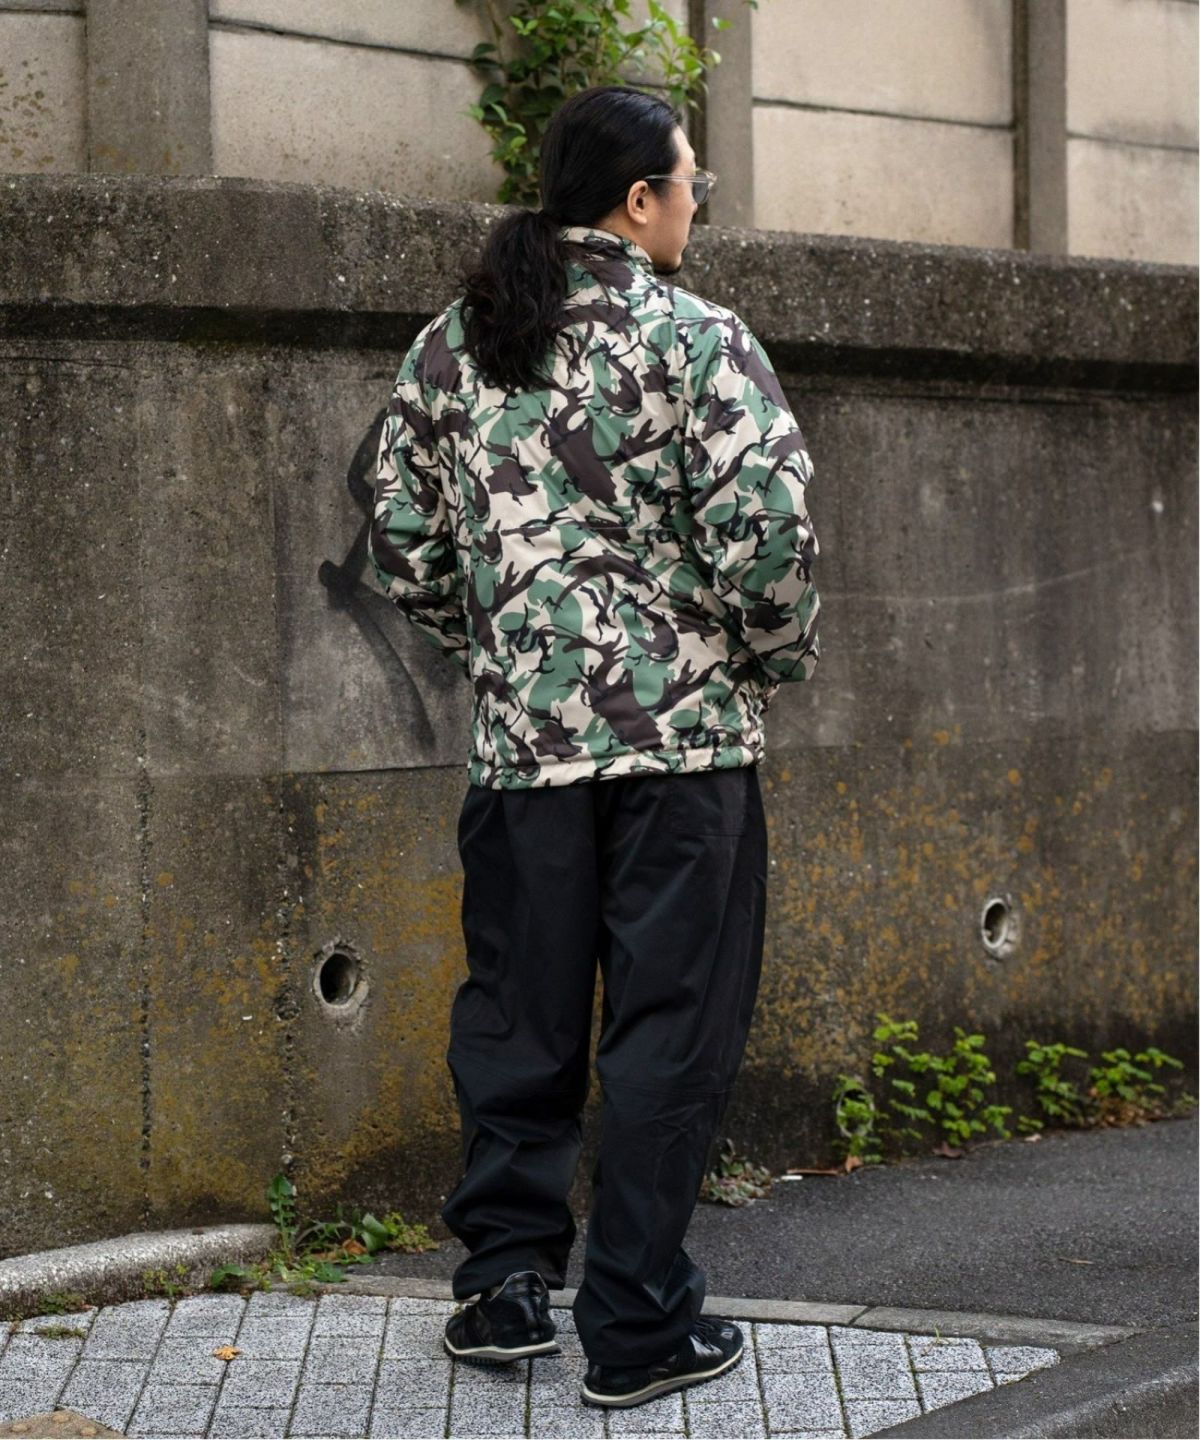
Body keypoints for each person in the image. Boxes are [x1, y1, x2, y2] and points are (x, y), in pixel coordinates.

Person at [368, 82, 820, 1411]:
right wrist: (764, 662)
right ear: (639, 200)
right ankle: (635, 1325)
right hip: (684, 759)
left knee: (519, 1020)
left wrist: (504, 656)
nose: (696, 206)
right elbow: (769, 541)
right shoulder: (697, 337)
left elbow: (401, 541)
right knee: (671, 1033)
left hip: (526, 761)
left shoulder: (456, 343)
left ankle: (504, 1288)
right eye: (691, 183)